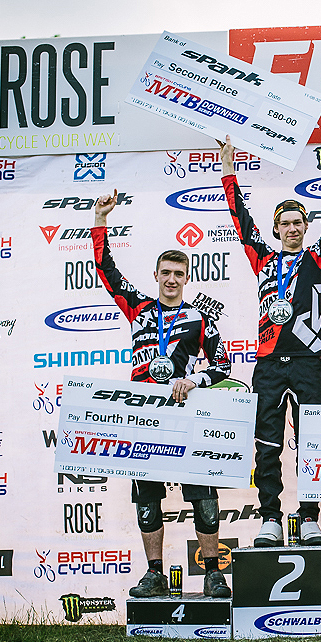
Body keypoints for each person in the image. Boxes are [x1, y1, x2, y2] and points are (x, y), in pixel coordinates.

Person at [91, 190, 233, 599]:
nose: (172, 279)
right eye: (166, 272)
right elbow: (105, 268)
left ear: (187, 278)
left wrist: (196, 380)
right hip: (144, 417)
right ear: (156, 275)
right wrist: (100, 220)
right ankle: (154, 573)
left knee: (203, 497)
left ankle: (212, 573)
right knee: (147, 497)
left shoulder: (200, 319)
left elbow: (223, 365)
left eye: (179, 273)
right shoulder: (137, 308)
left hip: (185, 414)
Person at [220, 126, 321, 548]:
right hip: (268, 364)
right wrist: (228, 169)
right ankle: (271, 519)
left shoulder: (319, 257)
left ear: (306, 226)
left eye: (298, 222)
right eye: (285, 224)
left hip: (309, 362)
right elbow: (241, 219)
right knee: (267, 444)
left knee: (313, 443)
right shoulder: (262, 258)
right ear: (277, 229)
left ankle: (310, 518)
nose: (293, 228)